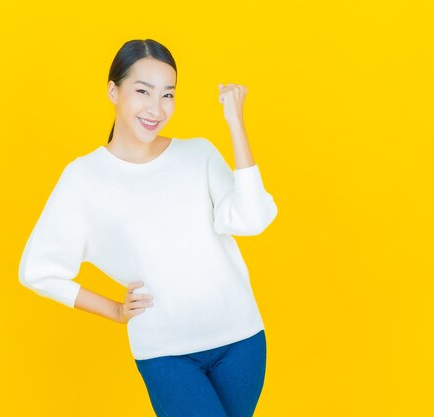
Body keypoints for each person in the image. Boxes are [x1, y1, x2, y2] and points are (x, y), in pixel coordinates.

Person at [18, 38, 278, 417]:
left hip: (242, 340)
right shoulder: (83, 179)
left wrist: (236, 124)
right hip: (165, 352)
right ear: (113, 90)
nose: (156, 108)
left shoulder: (199, 154)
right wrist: (115, 311)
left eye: (168, 95)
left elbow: (253, 220)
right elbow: (37, 271)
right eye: (143, 91)